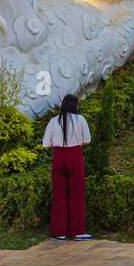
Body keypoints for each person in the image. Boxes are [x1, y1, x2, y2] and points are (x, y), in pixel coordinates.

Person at [42, 95, 92, 240]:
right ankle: (78, 231)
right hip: (75, 156)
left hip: (58, 156)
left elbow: (46, 143)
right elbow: (86, 141)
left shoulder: (53, 121)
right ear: (75, 105)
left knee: (59, 193)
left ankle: (59, 232)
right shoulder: (80, 119)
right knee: (77, 192)